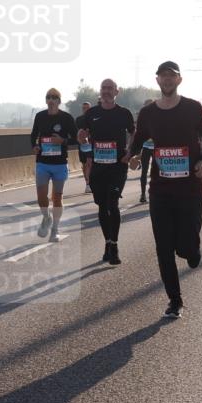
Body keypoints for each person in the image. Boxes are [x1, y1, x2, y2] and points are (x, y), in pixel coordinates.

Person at [128, 61, 202, 318]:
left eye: (171, 76)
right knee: (163, 247)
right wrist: (133, 155)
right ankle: (175, 301)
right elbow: (138, 139)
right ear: (157, 80)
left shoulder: (193, 107)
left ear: (179, 80)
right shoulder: (148, 113)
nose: (167, 79)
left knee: (187, 250)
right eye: (163, 76)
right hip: (160, 190)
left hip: (190, 189)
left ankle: (192, 250)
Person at [77, 78, 135, 265]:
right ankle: (107, 243)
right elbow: (83, 136)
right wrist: (83, 142)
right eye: (104, 88)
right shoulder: (92, 113)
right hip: (98, 167)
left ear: (117, 92)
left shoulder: (124, 113)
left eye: (110, 88)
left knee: (113, 203)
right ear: (100, 91)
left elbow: (134, 133)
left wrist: (130, 152)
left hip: (118, 166)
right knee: (102, 206)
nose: (107, 91)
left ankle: (114, 246)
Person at [30, 88, 77, 242]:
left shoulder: (66, 118)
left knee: (57, 198)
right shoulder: (40, 116)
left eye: (54, 97)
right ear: (46, 100)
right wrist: (34, 146)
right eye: (48, 97)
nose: (51, 100)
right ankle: (46, 217)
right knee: (41, 197)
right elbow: (33, 135)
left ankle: (55, 229)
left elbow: (76, 139)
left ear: (59, 101)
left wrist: (62, 141)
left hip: (59, 164)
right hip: (42, 162)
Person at [138, 98, 155, 203]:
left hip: (157, 148)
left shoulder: (159, 116)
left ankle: (155, 193)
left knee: (156, 171)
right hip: (146, 147)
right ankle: (143, 194)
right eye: (146, 105)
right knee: (144, 171)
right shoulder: (143, 118)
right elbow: (139, 134)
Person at [74, 101, 93, 193]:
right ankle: (87, 184)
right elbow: (75, 132)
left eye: (87, 108)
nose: (85, 109)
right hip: (82, 145)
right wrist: (79, 138)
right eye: (84, 108)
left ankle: (91, 183)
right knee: (85, 164)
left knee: (90, 163)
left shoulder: (94, 118)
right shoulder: (78, 119)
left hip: (91, 145)